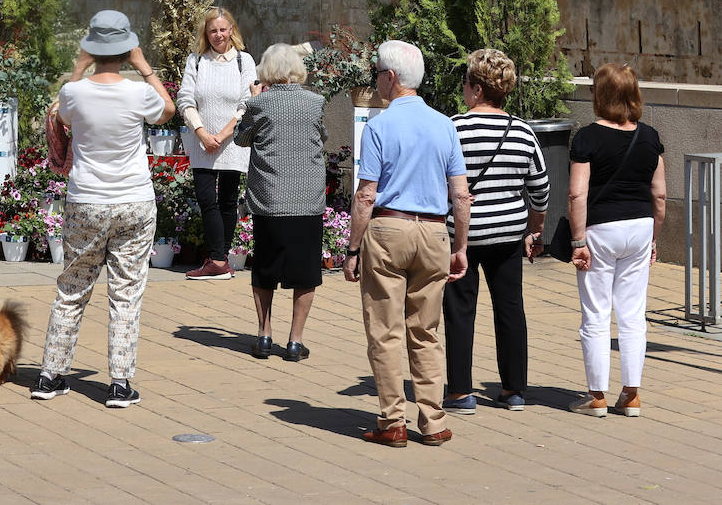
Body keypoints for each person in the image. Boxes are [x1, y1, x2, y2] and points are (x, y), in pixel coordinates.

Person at [32, 10, 175, 408]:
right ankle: (119, 383)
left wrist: (79, 65)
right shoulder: (138, 93)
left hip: (86, 200)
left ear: (92, 48)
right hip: (133, 199)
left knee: (72, 288)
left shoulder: (74, 93)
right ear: (126, 47)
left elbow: (62, 113)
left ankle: (50, 375)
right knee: (126, 293)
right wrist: (144, 66)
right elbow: (168, 110)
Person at [344, 39, 470, 448]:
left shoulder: (380, 126)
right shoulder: (445, 124)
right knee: (426, 331)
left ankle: (392, 420)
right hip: (434, 231)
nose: (376, 79)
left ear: (391, 78)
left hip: (389, 228)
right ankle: (433, 421)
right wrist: (460, 245)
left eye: (377, 72)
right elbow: (461, 193)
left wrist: (351, 248)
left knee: (384, 330)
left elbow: (366, 195)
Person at [441, 49, 549, 415]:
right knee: (510, 310)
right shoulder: (522, 131)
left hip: (463, 238)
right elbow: (541, 187)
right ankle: (514, 390)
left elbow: (438, 181)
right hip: (507, 235)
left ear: (475, 89)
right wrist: (534, 230)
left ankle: (459, 392)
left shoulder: (453, 127)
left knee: (459, 311)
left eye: (466, 83)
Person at [567, 63, 666, 417]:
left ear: (601, 95)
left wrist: (577, 240)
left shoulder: (587, 137)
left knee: (595, 312)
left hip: (600, 229)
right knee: (632, 313)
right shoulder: (650, 136)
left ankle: (596, 396)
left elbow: (577, 195)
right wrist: (653, 238)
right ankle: (631, 394)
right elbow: (660, 196)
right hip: (639, 226)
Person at [234, 44, 328, 361]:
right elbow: (322, 135)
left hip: (270, 199)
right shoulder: (315, 102)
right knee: (305, 272)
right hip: (306, 199)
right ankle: (295, 341)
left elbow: (240, 138)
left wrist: (253, 99)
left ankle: (264, 335)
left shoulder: (258, 104)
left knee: (264, 268)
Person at [176, 8, 259, 281]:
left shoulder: (244, 61)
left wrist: (222, 136)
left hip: (231, 141)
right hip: (202, 143)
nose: (218, 35)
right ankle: (219, 260)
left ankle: (218, 259)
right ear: (206, 33)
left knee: (227, 200)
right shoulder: (196, 61)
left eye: (223, 29)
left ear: (231, 30)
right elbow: (185, 99)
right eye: (213, 30)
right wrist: (201, 133)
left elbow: (247, 104)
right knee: (206, 199)